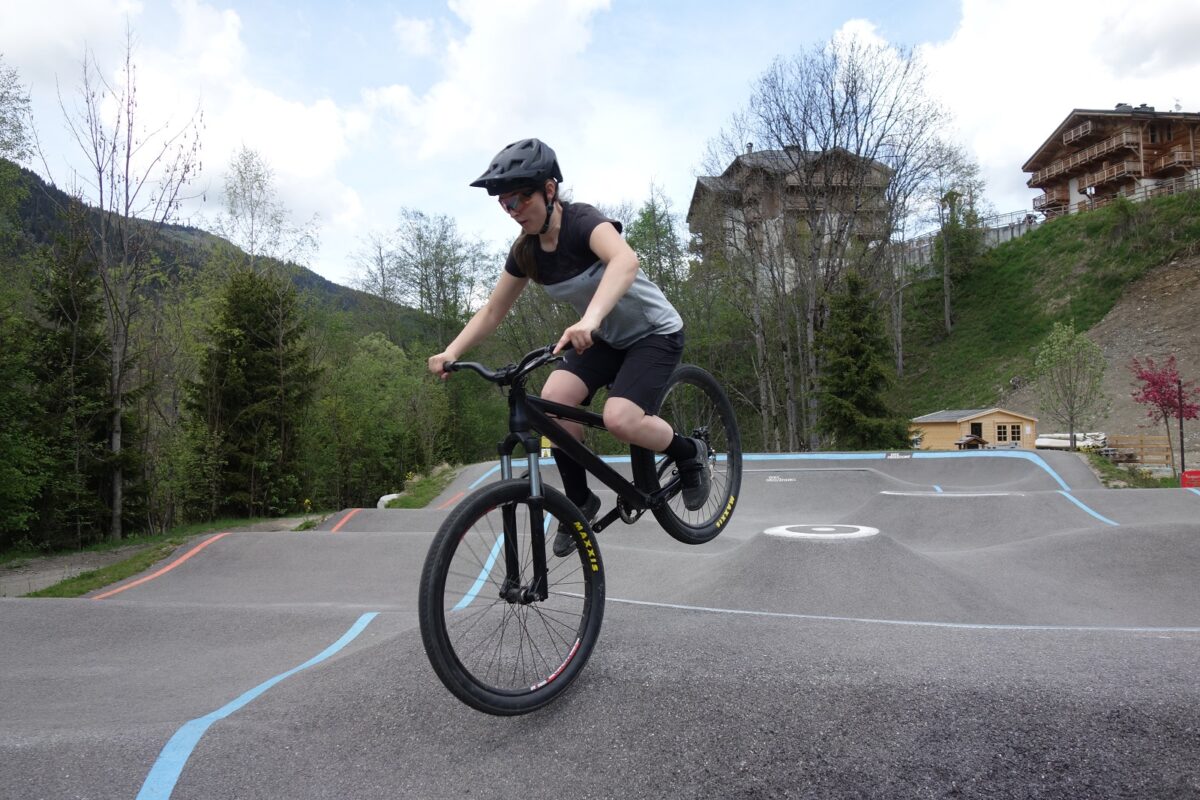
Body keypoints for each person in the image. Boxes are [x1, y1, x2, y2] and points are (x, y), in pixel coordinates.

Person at [427, 138, 709, 556]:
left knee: (620, 419)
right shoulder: (527, 253)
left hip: (653, 332)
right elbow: (492, 310)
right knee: (553, 402)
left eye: (520, 199)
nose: (514, 211)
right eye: (505, 205)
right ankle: (580, 500)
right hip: (603, 338)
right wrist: (452, 351)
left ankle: (689, 454)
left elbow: (625, 262)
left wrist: (590, 319)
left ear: (550, 190)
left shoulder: (582, 223)